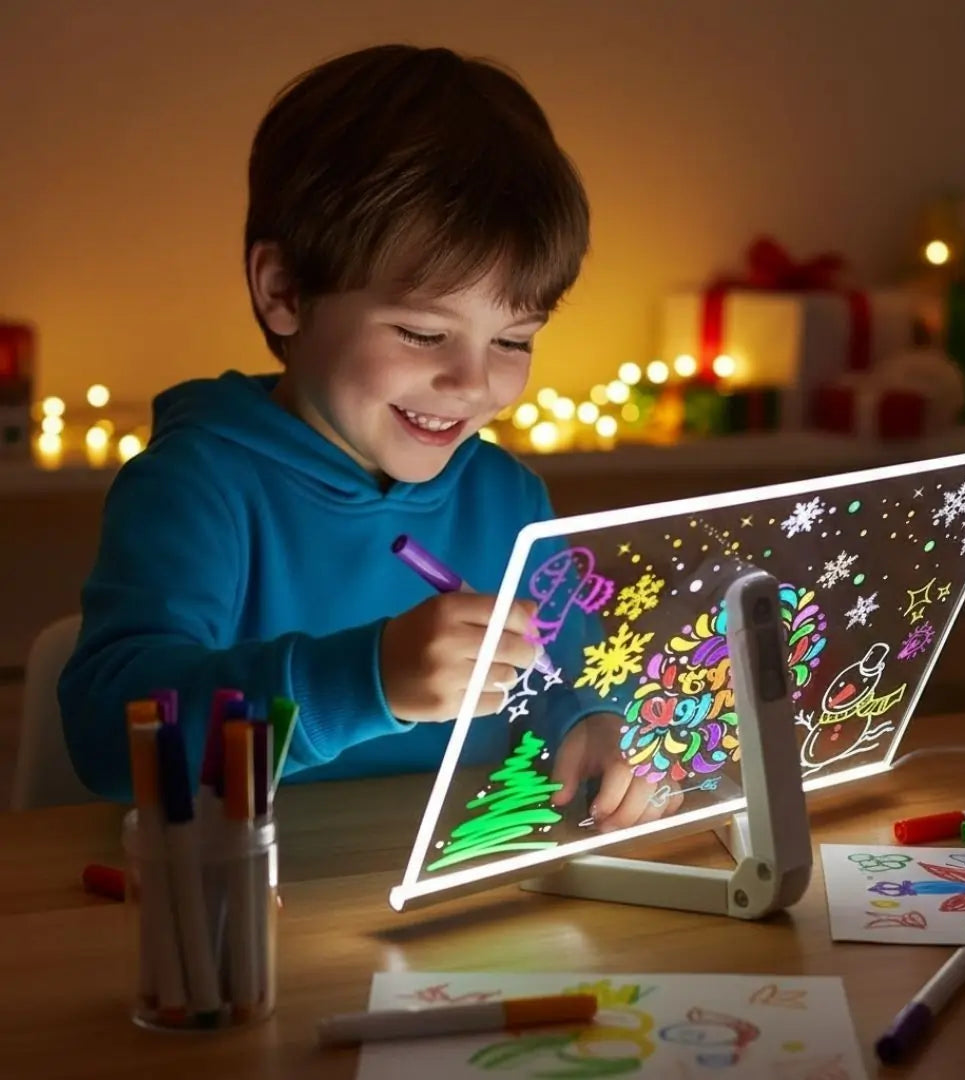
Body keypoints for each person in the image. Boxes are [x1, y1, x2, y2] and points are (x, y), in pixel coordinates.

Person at [59, 44, 680, 831]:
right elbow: (109, 735)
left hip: (472, 923)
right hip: (253, 918)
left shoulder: (509, 498)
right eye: (423, 333)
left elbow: (569, 682)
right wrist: (368, 680)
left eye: (514, 340)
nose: (471, 382)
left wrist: (593, 727)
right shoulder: (195, 486)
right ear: (284, 291)